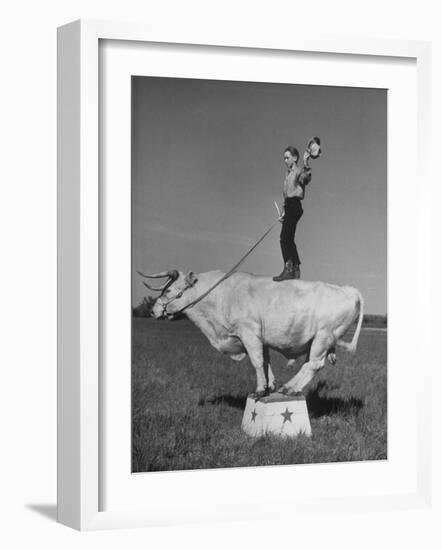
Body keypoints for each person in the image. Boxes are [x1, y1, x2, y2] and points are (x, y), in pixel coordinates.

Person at [273, 140, 319, 282]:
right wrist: (282, 213)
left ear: (295, 158)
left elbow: (306, 179)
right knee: (289, 238)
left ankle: (289, 269)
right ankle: (296, 269)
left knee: (284, 238)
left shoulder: (298, 171)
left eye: (287, 157)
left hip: (295, 205)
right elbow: (285, 196)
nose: (285, 160)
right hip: (289, 206)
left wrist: (306, 163)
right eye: (284, 158)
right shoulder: (287, 175)